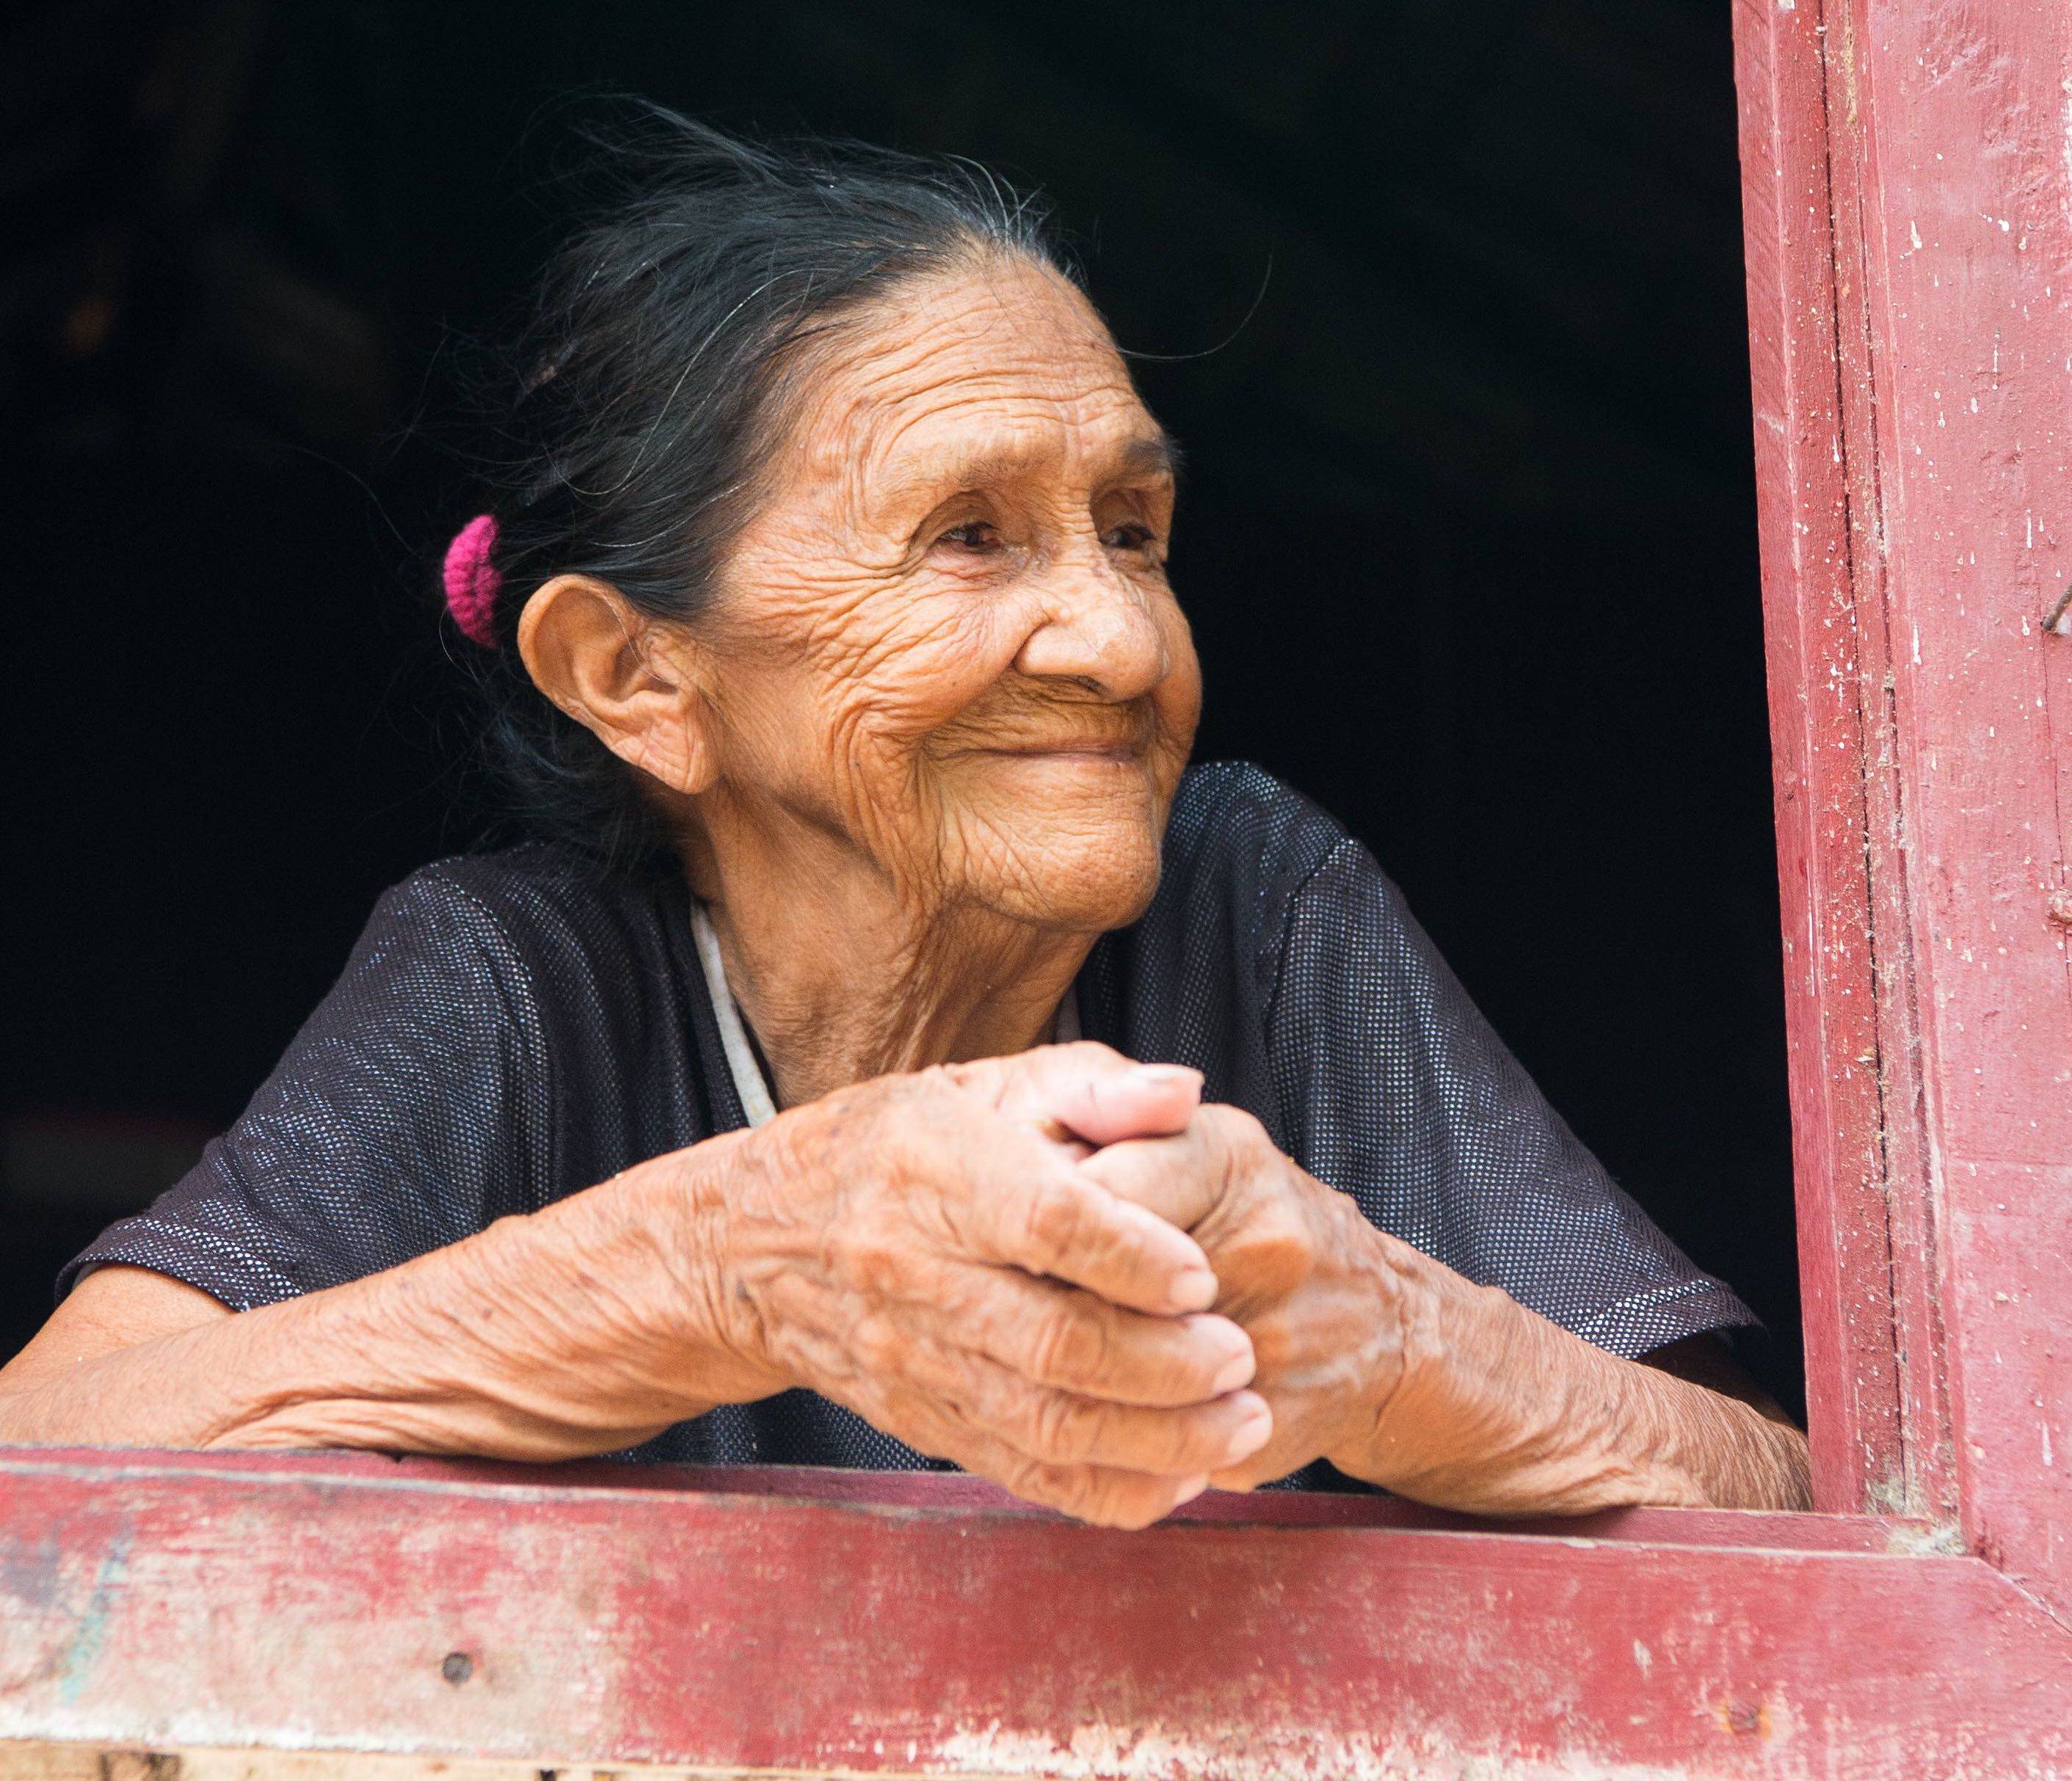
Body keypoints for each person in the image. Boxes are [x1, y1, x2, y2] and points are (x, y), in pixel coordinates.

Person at [0, 115, 1808, 1527]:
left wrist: (1394, 1343)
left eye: (1131, 531)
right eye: (968, 536)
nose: (1118, 640)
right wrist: (734, 1258)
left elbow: (1768, 1490)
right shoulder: (523, 980)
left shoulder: (1250, 905)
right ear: (637, 674)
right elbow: (51, 1446)